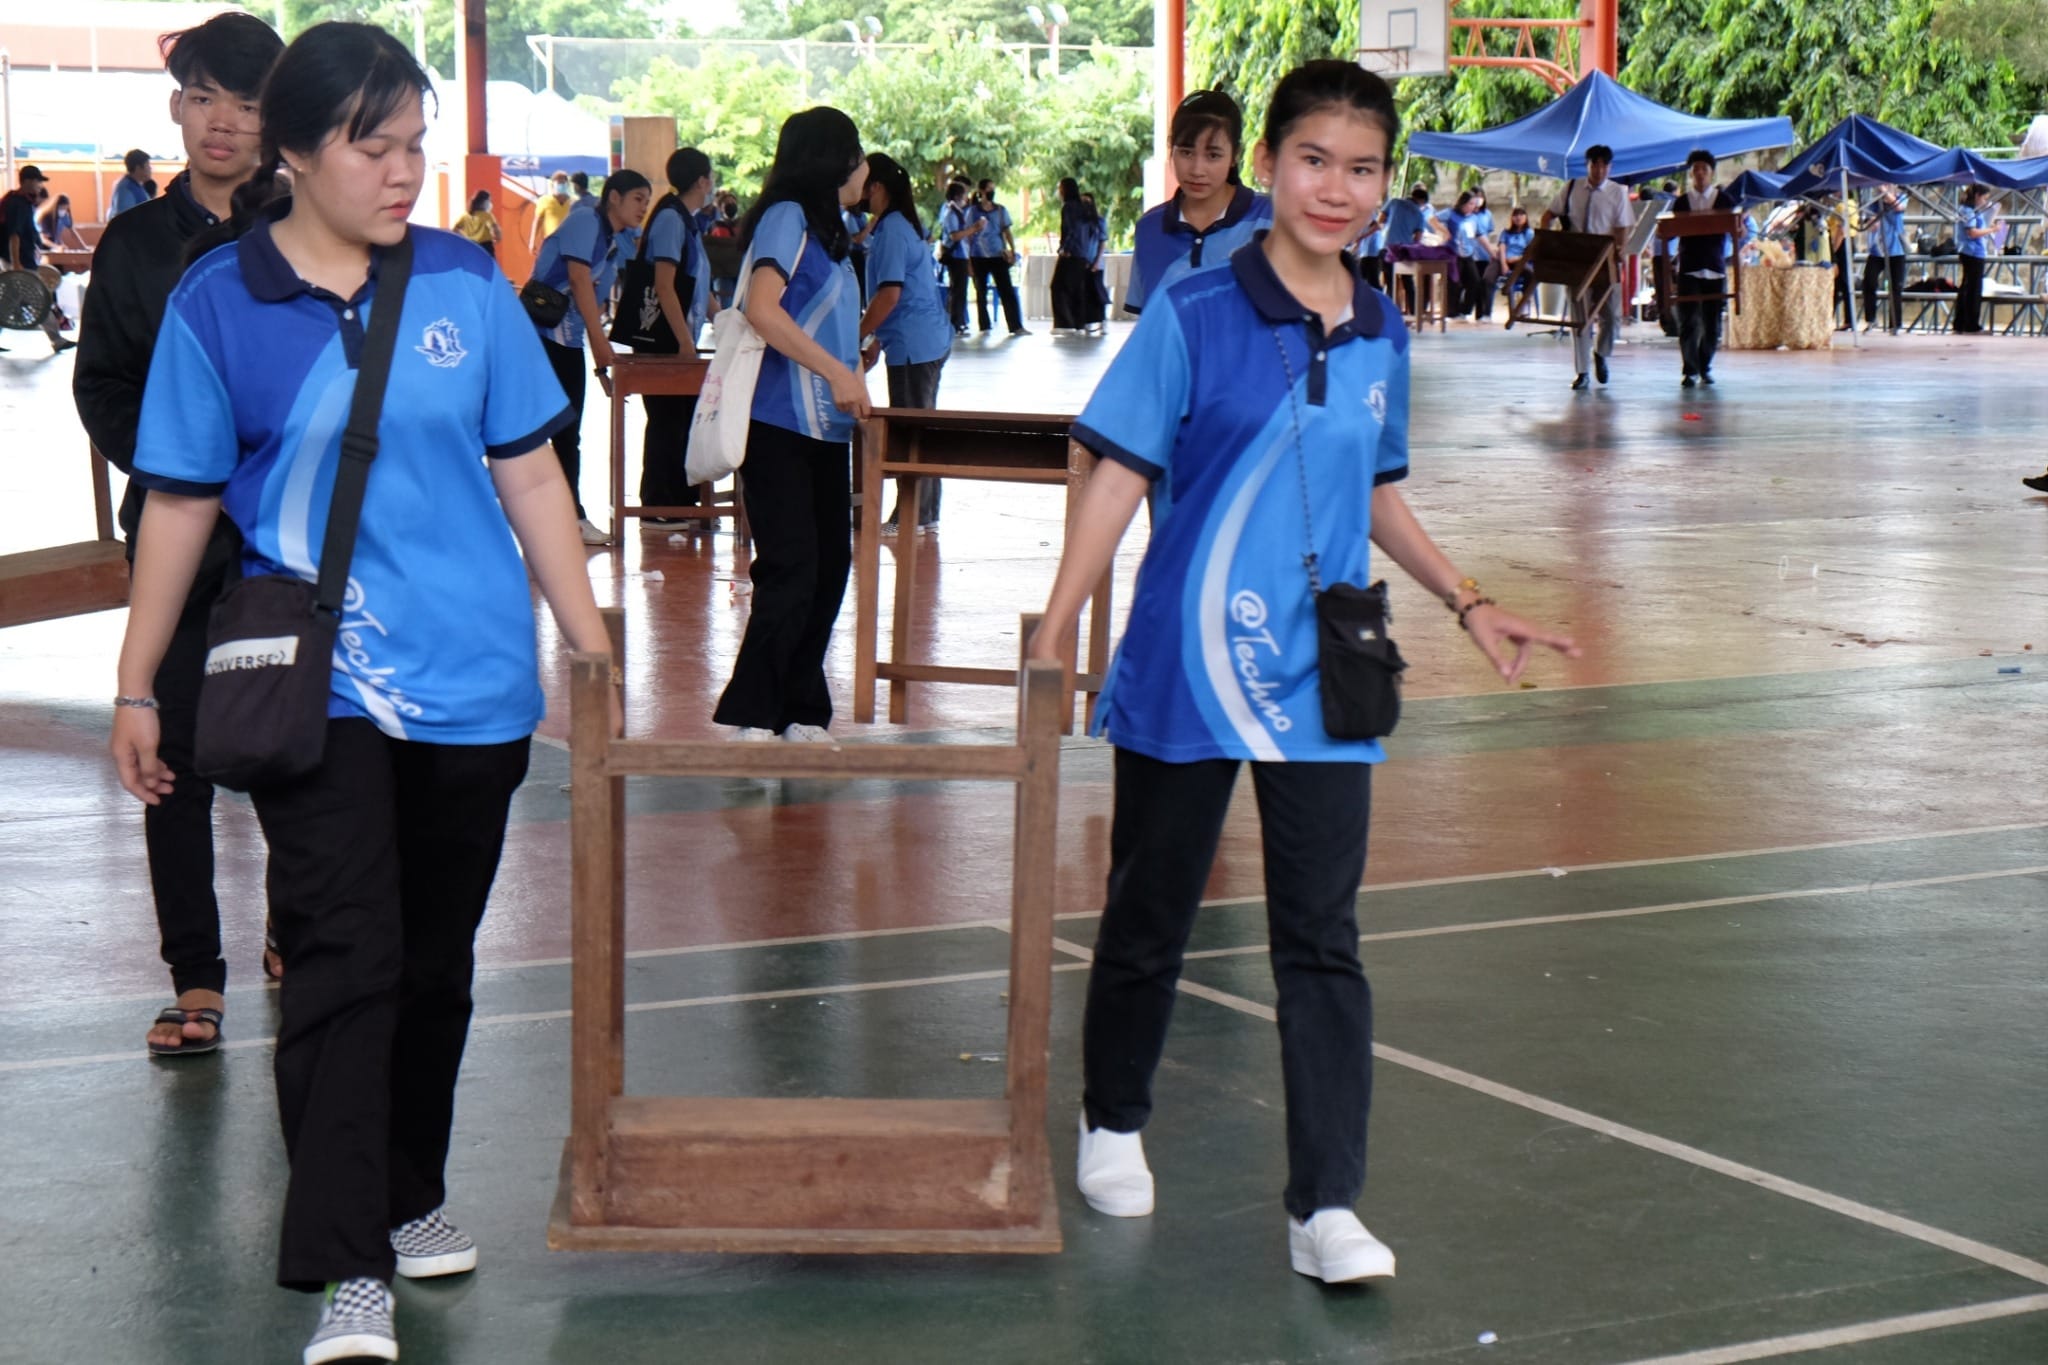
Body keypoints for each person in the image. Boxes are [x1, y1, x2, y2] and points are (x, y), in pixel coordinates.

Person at [109, 24, 617, 1363]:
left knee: (436, 964)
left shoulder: (465, 285)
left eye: (413, 145)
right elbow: (175, 501)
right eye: (372, 146)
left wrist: (586, 634)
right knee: (347, 957)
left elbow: (531, 476)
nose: (404, 172)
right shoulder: (218, 305)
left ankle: (407, 1191)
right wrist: (134, 683)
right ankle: (346, 1268)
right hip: (318, 684)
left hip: (476, 687)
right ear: (297, 151)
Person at [1026, 58, 1578, 1287]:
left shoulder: (1382, 328)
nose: (1336, 188)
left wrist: (1467, 600)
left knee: (1320, 938)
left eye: (1362, 167)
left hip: (1328, 668)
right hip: (1187, 660)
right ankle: (1112, 1116)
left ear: (1386, 183)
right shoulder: (1191, 311)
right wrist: (1058, 617)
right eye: (1314, 160)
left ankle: (1324, 1205)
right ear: (1270, 165)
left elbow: (1376, 488)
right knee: (1149, 912)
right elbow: (1113, 470)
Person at [71, 12, 284, 1055]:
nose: (222, 123)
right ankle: (196, 976)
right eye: (204, 98)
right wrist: (177, 464)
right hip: (173, 540)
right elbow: (100, 382)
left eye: (245, 104)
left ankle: (299, 924)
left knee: (301, 745)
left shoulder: (303, 228)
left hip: (285, 546)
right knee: (173, 759)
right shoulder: (136, 243)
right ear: (176, 108)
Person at [711, 107, 871, 743]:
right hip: (777, 422)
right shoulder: (787, 218)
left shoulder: (834, 235)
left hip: (826, 430)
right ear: (830, 160)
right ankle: (754, 711)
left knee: (829, 565)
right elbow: (760, 306)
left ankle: (801, 708)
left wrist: (849, 363)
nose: (864, 168)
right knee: (791, 567)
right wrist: (836, 370)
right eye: (855, 154)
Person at [528, 166, 653, 545]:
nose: (643, 208)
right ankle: (566, 517)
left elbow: (591, 304)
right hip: (540, 334)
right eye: (637, 199)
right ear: (613, 197)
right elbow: (579, 281)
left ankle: (566, 516)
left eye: (647, 202)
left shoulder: (614, 243)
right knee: (546, 431)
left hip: (566, 341)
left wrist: (599, 362)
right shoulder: (586, 219)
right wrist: (602, 346)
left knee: (566, 432)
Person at [857, 152, 953, 532]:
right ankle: (925, 513)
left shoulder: (893, 229)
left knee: (911, 430)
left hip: (916, 345)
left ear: (876, 187)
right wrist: (877, 343)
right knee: (918, 426)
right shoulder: (895, 226)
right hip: (917, 339)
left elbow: (890, 295)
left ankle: (912, 514)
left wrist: (857, 335)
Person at [1125, 89, 1272, 317]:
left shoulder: (1273, 219)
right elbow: (1148, 327)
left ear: (1235, 155)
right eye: (1186, 152)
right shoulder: (1150, 228)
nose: (1197, 170)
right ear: (1170, 149)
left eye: (1213, 155)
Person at [637, 146, 717, 521]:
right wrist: (685, 343)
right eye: (711, 177)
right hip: (666, 341)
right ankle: (660, 506)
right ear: (702, 180)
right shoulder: (671, 219)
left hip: (681, 338)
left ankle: (682, 502)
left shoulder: (687, 221)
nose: (713, 184)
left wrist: (726, 318)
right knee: (667, 421)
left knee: (682, 418)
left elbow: (700, 286)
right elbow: (664, 285)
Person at [1541, 144, 1630, 391]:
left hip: (1605, 260)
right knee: (1579, 317)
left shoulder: (1617, 192)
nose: (1599, 170)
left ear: (1609, 167)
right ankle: (1581, 372)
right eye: (1594, 164)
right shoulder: (1571, 188)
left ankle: (1601, 353)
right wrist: (1547, 239)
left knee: (1611, 315)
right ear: (1587, 165)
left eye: (1604, 165)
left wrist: (1620, 250)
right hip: (1575, 259)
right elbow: (1549, 214)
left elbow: (1623, 227)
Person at [1671, 149, 1738, 388]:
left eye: (1704, 169)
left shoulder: (1724, 200)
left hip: (1715, 268)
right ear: (1690, 173)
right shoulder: (1681, 202)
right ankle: (1689, 369)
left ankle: (1705, 365)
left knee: (1712, 324)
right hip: (1689, 268)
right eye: (1695, 169)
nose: (1700, 174)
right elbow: (1670, 231)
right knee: (1688, 321)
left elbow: (1736, 228)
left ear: (1711, 173)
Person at [2, 165, 76, 351]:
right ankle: (56, 340)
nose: (40, 186)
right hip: (19, 261)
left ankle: (56, 339)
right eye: (37, 181)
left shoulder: (22, 202)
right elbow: (14, 234)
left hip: (21, 259)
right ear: (27, 181)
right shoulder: (17, 204)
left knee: (9, 301)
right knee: (40, 300)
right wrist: (17, 265)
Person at [968, 179, 1027, 335]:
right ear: (981, 191)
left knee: (1007, 290)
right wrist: (968, 260)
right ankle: (984, 326)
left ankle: (1015, 325)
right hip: (978, 255)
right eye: (988, 189)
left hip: (997, 254)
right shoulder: (973, 212)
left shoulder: (1000, 210)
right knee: (980, 291)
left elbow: (1007, 231)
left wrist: (1012, 250)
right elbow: (968, 236)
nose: (991, 192)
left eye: (993, 189)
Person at [1052, 177, 1106, 334]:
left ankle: (1065, 324)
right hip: (1083, 253)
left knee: (1058, 287)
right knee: (1077, 289)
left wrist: (1064, 248)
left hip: (1072, 252)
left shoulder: (1069, 207)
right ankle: (1079, 323)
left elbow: (1069, 229)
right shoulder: (1084, 208)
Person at [1857, 183, 1906, 334]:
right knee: (1869, 282)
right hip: (1877, 250)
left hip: (1896, 249)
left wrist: (1885, 192)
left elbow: (1899, 207)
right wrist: (1870, 222)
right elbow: (1866, 218)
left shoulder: (1901, 197)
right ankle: (1871, 319)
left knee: (1895, 287)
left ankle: (1895, 324)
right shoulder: (1874, 203)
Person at [1954, 184, 1997, 335]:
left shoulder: (1973, 211)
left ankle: (1961, 323)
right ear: (1978, 195)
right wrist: (1991, 230)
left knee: (1968, 287)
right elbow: (1972, 233)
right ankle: (1970, 323)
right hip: (1972, 252)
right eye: (1984, 198)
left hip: (1974, 251)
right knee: (1972, 289)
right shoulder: (1967, 211)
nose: (1985, 201)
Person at [936, 179, 977, 334]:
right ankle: (955, 322)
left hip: (961, 254)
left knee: (960, 290)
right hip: (956, 254)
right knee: (958, 290)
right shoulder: (951, 213)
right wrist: (973, 229)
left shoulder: (958, 212)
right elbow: (954, 235)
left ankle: (957, 320)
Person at [1498, 205, 1534, 320]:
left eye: (1521, 215)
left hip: (1521, 261)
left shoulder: (1529, 233)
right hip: (1507, 261)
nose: (1518, 217)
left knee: (1530, 273)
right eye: (1515, 215)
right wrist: (1504, 263)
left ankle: (1523, 305)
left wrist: (1518, 258)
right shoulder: (1506, 233)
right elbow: (1502, 248)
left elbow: (1531, 252)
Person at [529, 169, 574, 251]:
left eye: (563, 183)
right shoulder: (544, 200)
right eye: (559, 183)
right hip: (551, 243)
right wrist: (532, 241)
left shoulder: (572, 203)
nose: (561, 185)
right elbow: (537, 221)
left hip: (568, 244)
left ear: (567, 184)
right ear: (553, 184)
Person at [452, 190, 500, 259]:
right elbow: (497, 233)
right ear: (485, 202)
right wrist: (496, 239)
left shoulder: (465, 217)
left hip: (470, 247)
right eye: (489, 201)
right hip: (486, 248)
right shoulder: (487, 216)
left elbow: (455, 231)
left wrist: (465, 239)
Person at [111, 149, 155, 217]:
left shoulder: (136, 186)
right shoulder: (126, 190)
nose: (150, 169)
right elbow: (125, 220)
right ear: (138, 168)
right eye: (148, 165)